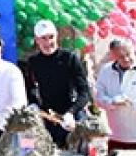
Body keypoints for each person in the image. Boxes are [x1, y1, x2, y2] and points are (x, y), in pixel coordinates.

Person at [23, 19, 91, 147]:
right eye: (43, 38)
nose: (48, 42)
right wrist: (34, 105)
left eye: (51, 37)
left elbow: (84, 92)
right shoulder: (33, 62)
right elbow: (30, 88)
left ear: (57, 36)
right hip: (48, 115)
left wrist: (71, 112)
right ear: (37, 40)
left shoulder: (70, 58)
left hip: (71, 113)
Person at [94, 39, 136, 151]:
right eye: (120, 57)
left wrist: (132, 102)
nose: (126, 59)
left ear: (134, 50)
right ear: (113, 56)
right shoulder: (106, 70)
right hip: (117, 135)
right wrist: (112, 102)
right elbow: (98, 96)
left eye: (128, 54)